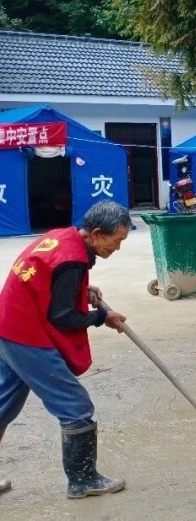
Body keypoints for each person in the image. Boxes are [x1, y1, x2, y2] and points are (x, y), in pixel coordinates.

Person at [0, 201, 130, 499]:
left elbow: (50, 281)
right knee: (76, 407)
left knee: (3, 406)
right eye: (117, 240)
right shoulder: (72, 260)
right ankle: (83, 481)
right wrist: (102, 317)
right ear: (96, 234)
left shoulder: (62, 237)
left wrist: (81, 289)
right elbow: (62, 316)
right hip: (25, 334)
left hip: (7, 325)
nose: (118, 248)